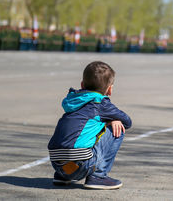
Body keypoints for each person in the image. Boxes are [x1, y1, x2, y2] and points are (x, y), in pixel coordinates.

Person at [48, 61, 132, 189]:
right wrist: (111, 120)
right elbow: (127, 121)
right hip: (81, 164)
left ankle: (63, 176)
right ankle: (98, 176)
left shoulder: (73, 100)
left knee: (83, 130)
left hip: (57, 164)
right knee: (117, 127)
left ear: (82, 84)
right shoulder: (100, 103)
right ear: (109, 89)